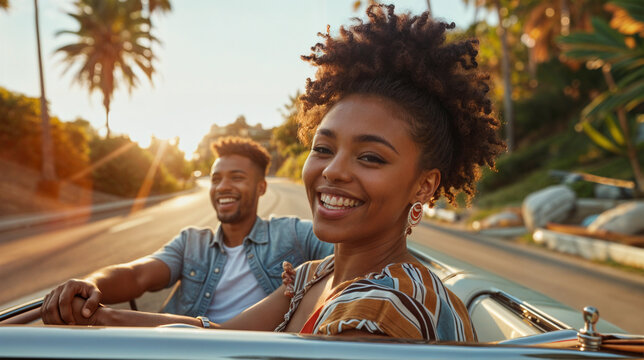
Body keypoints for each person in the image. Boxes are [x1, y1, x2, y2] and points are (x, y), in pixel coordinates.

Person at [61, 4, 504, 341]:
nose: (333, 171)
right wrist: (99, 315)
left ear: (425, 184)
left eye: (370, 157)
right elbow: (220, 335)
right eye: (323, 148)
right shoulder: (317, 274)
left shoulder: (382, 307)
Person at [41, 136, 333, 325]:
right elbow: (136, 274)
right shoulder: (192, 242)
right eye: (216, 179)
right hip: (180, 350)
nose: (223, 187)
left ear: (261, 187)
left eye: (237, 177)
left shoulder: (295, 234)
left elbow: (353, 256)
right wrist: (90, 284)